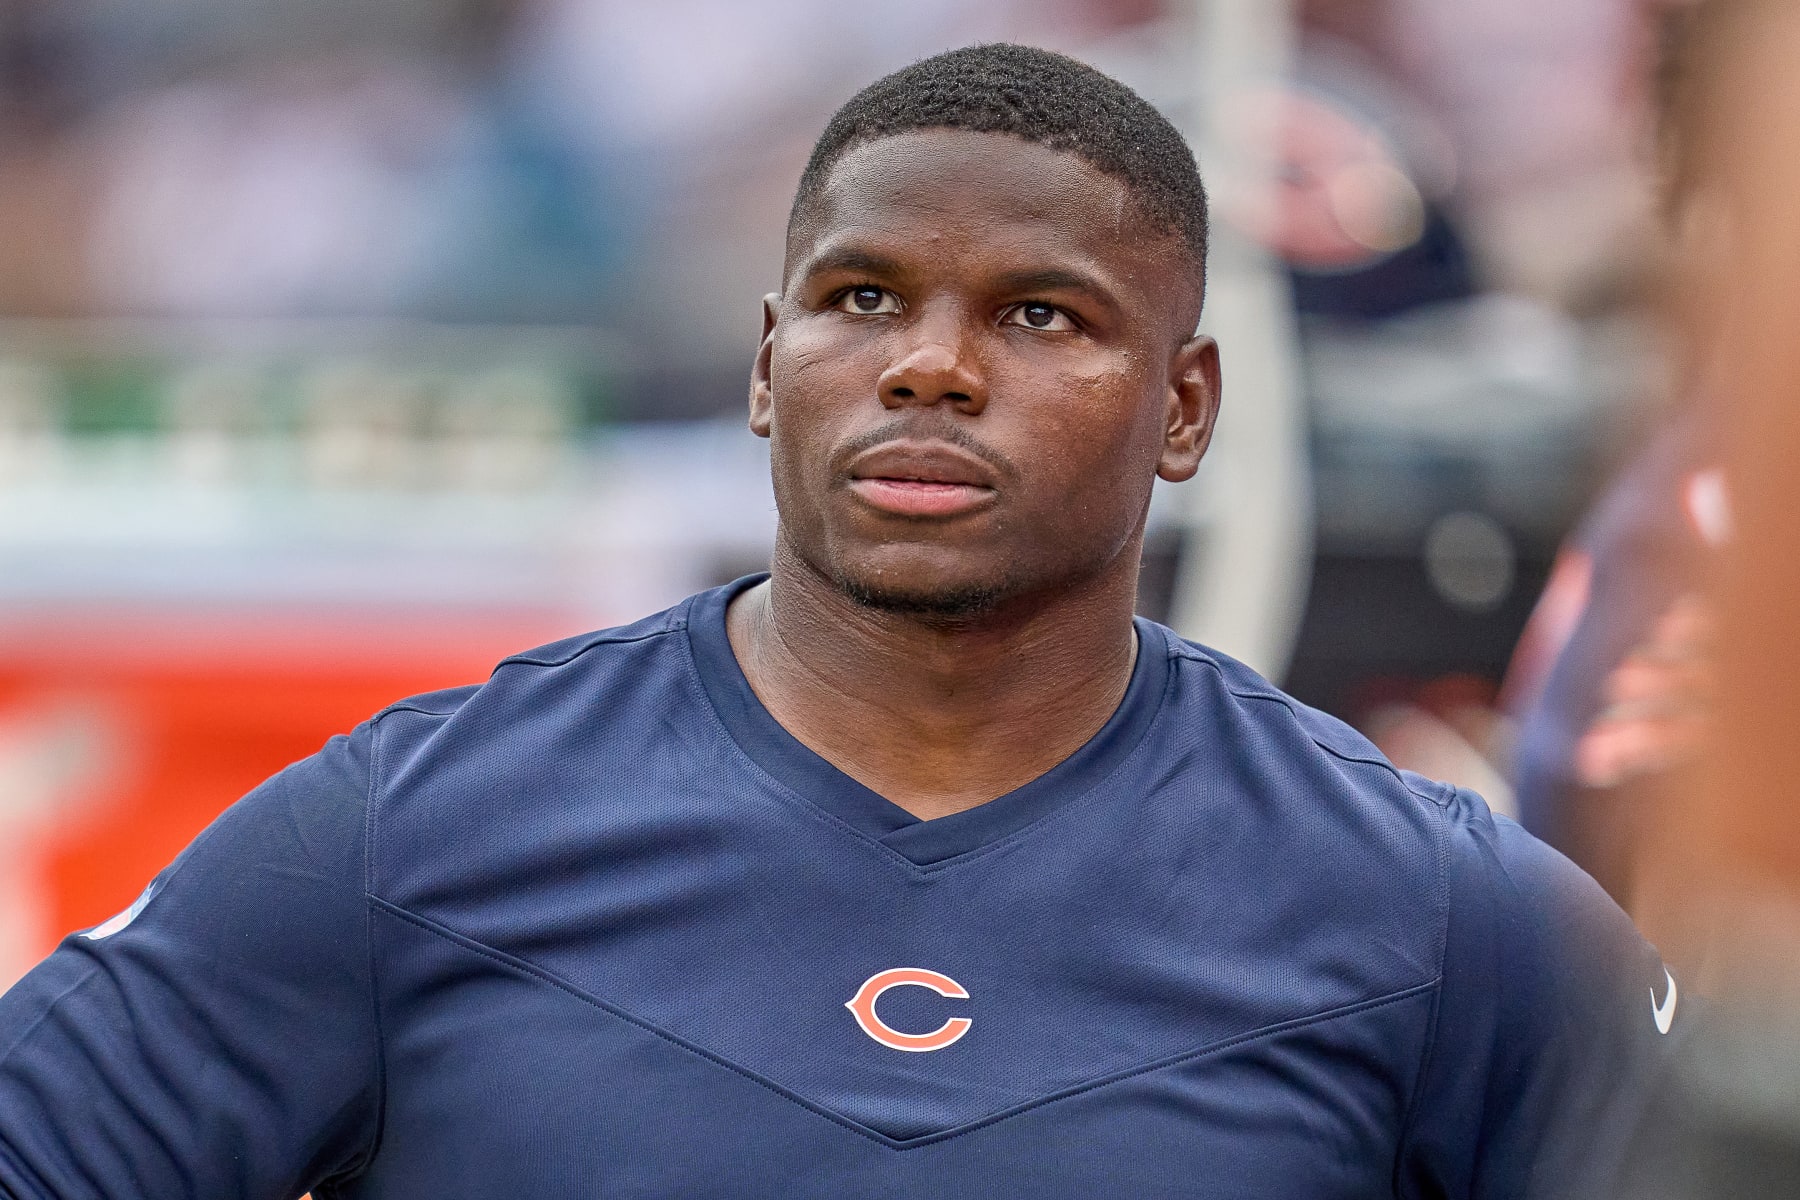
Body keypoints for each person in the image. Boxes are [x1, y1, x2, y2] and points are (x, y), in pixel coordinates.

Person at [0, 44, 1675, 1198]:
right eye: (862, 296)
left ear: (1185, 408)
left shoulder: (1436, 911)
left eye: (1041, 313)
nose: (931, 365)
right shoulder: (417, 828)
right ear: (762, 365)